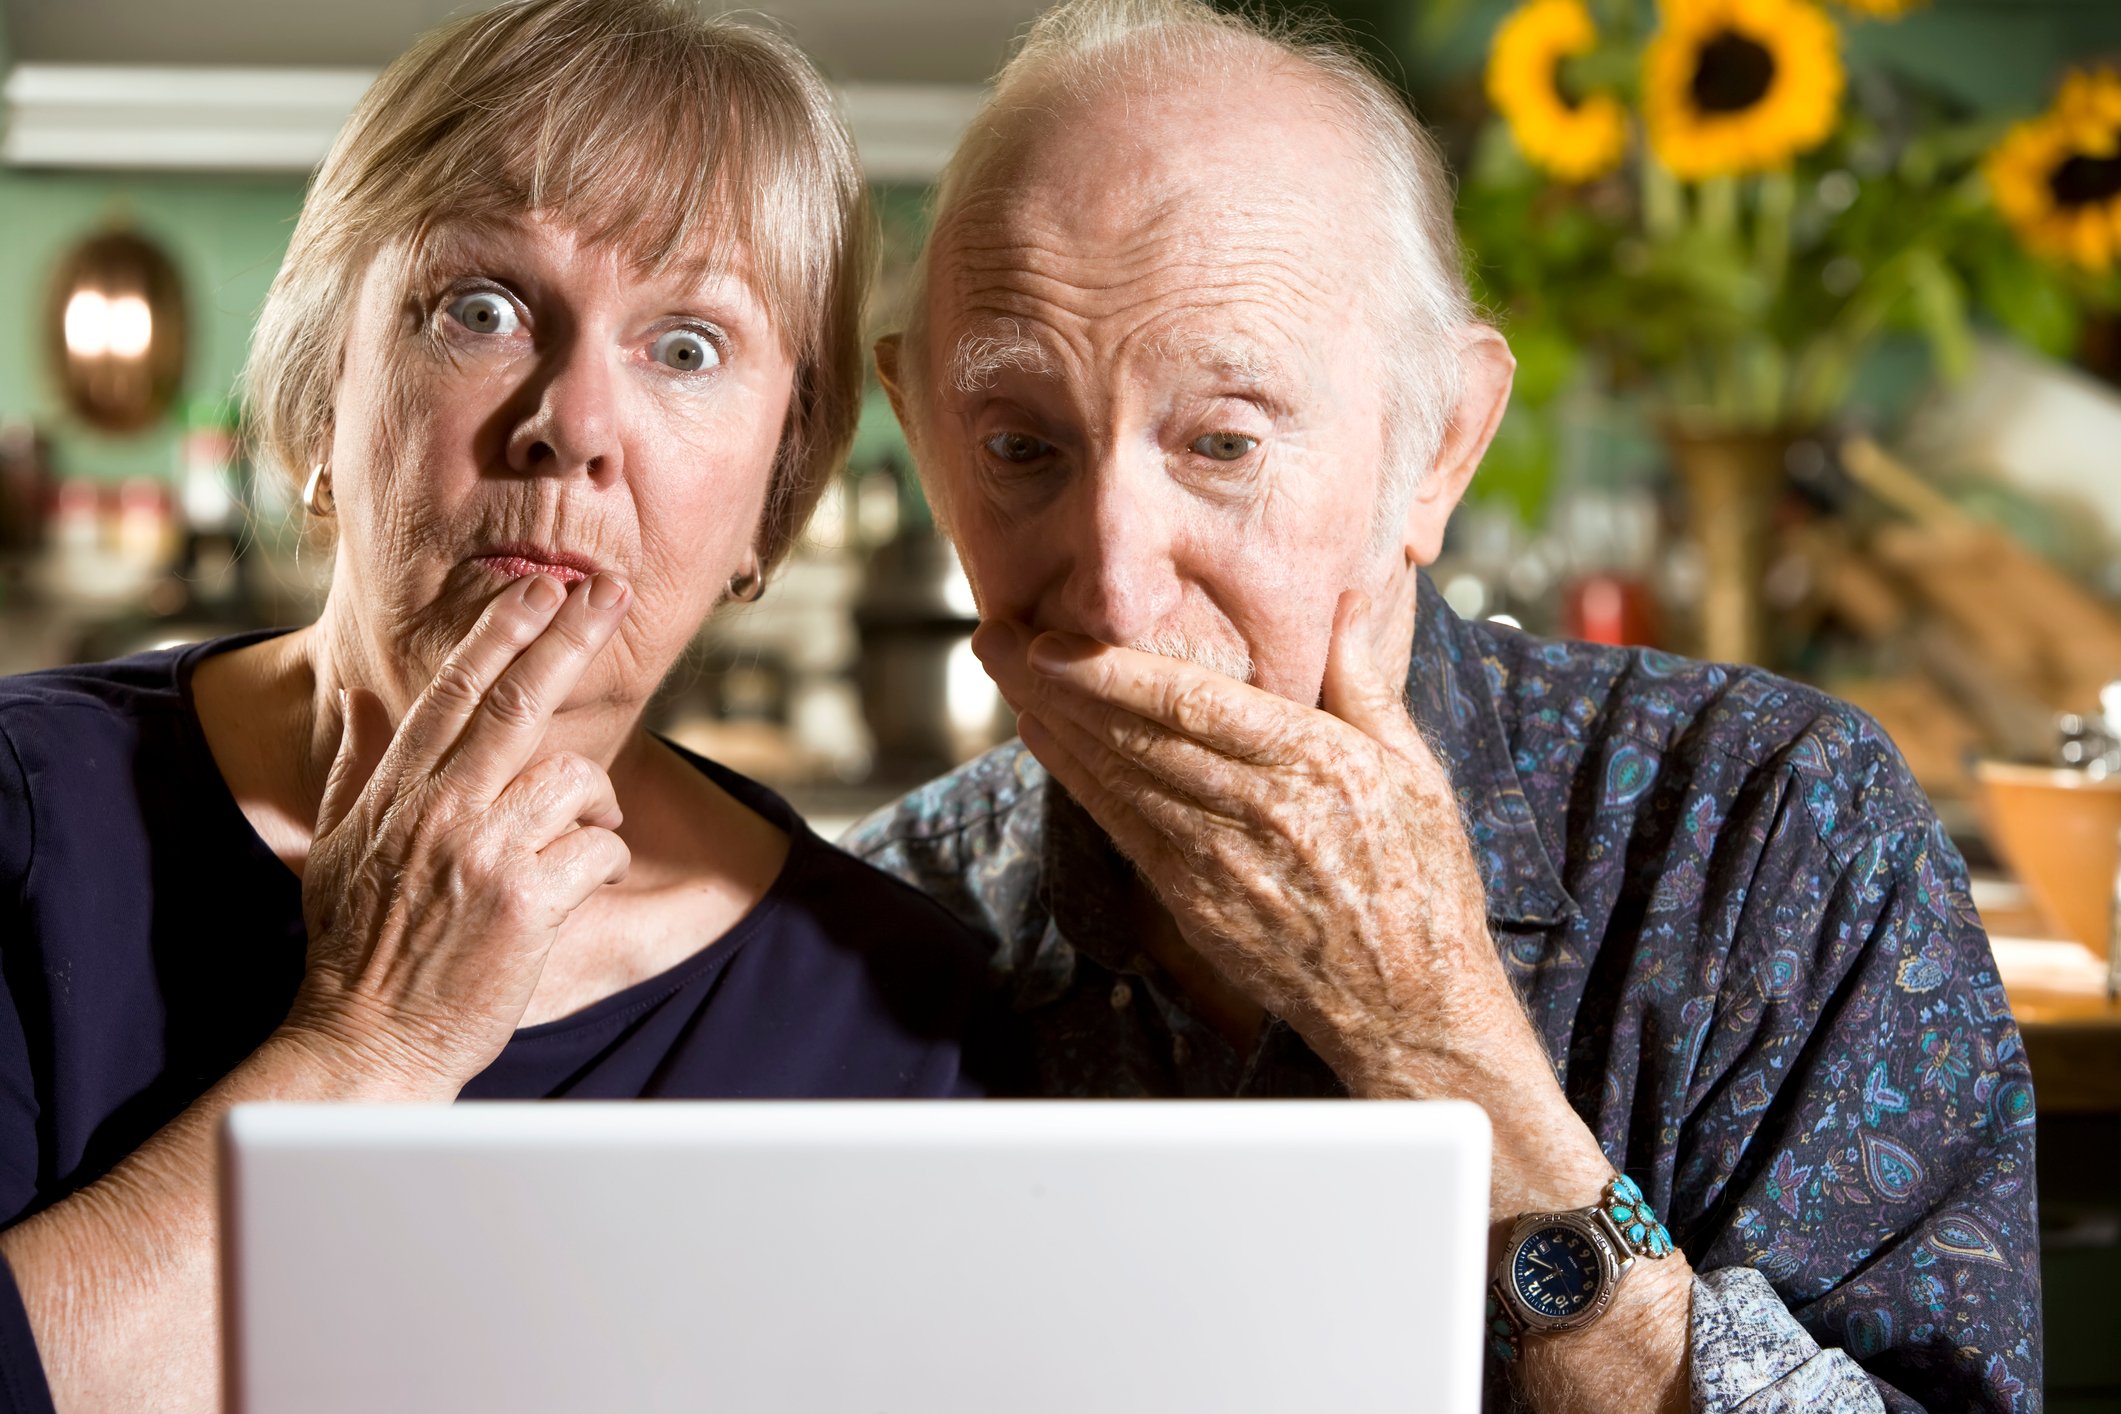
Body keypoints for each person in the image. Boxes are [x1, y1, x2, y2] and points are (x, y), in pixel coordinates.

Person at [849, 2, 2039, 1410]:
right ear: (920, 433)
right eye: (1018, 446)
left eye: (1223, 442)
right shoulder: (890, 916)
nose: (1108, 589)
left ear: (1442, 446)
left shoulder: (1775, 832)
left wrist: (1431, 1034)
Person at [0, 2, 1008, 1409]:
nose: (573, 421)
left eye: (690, 347)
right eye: (481, 309)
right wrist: (369, 1046)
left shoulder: (903, 1018)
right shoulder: (22, 824)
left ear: (774, 496)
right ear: (320, 389)